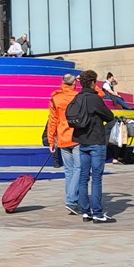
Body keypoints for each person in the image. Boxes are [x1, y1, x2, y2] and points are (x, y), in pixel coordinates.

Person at [71, 70, 117, 223]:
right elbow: (109, 116)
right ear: (92, 83)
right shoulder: (94, 98)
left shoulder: (77, 97)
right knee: (96, 178)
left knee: (84, 177)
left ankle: (86, 212)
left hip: (81, 141)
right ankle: (97, 213)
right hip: (96, 141)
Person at [46, 74, 82, 215]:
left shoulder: (55, 98)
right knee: (79, 168)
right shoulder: (78, 96)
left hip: (62, 138)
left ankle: (71, 200)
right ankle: (71, 200)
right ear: (74, 83)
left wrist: (51, 140)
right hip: (77, 137)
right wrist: (83, 81)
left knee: (69, 171)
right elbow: (99, 94)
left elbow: (52, 121)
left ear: (62, 82)